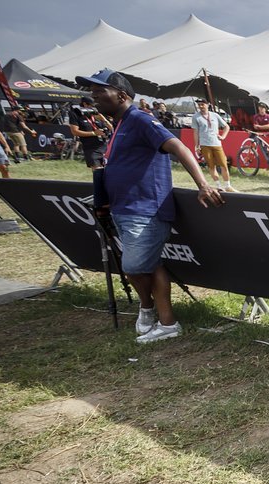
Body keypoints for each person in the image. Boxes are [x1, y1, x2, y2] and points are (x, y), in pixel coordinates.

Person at [76, 67, 224, 344]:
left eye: (99, 92)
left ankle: (147, 308)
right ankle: (165, 322)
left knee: (134, 267)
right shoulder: (120, 123)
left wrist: (203, 184)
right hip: (124, 208)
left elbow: (178, 147)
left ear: (120, 95)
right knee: (149, 264)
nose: (94, 97)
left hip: (146, 209)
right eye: (92, 92)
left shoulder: (141, 119)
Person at [191, 99, 233, 191]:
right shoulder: (196, 117)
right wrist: (197, 146)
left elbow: (226, 126)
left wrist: (223, 136)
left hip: (217, 144)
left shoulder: (215, 115)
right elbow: (196, 132)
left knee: (224, 164)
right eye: (199, 105)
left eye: (202, 104)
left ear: (208, 105)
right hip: (204, 145)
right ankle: (218, 186)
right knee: (211, 166)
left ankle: (228, 186)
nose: (201, 106)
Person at [70, 96, 110, 170]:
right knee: (98, 172)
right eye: (92, 105)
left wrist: (103, 119)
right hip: (90, 147)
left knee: (108, 172)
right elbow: (75, 132)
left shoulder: (96, 113)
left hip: (104, 146)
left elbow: (111, 128)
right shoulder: (75, 113)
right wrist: (94, 133)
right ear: (85, 104)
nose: (93, 107)